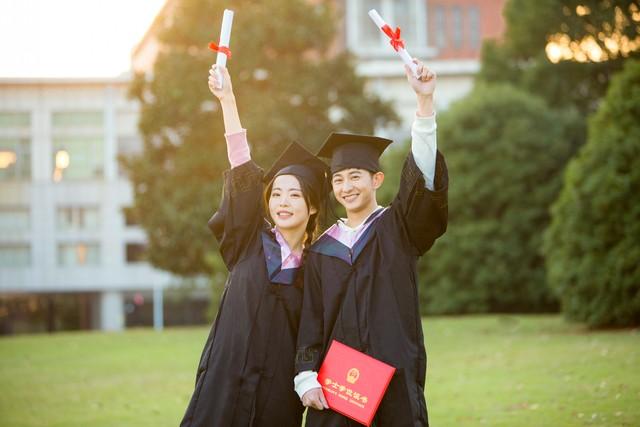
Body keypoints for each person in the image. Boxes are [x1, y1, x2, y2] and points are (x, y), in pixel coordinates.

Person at [294, 59, 449, 427]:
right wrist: (305, 376)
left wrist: (424, 106)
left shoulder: (397, 229)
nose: (346, 187)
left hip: (393, 379)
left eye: (355, 177)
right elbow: (310, 320)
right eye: (338, 179)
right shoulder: (321, 250)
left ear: (377, 179)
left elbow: (422, 183)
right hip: (338, 388)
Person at [180, 65, 329, 427]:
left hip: (277, 395)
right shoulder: (248, 239)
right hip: (225, 382)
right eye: (276, 193)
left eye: (295, 194)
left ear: (311, 206)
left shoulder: (320, 265)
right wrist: (228, 100)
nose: (283, 201)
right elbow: (242, 168)